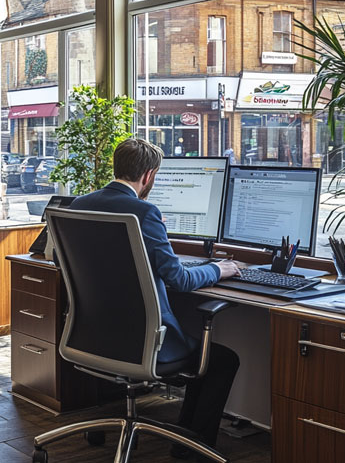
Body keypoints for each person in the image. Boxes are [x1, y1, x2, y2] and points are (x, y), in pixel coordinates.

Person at [70, 138, 241, 457]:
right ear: (149, 175)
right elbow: (179, 278)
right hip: (144, 344)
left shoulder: (79, 204)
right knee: (223, 360)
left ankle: (185, 440)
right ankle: (191, 449)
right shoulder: (144, 211)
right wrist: (220, 269)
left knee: (210, 356)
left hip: (94, 337)